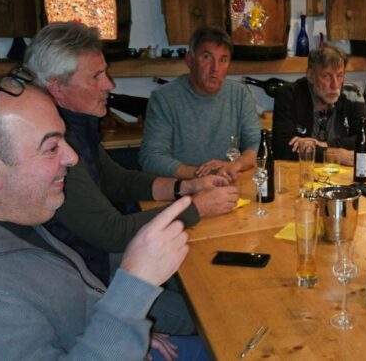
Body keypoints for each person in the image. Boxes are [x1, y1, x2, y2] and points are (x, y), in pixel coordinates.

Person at [0, 79, 204, 360]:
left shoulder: (12, 215)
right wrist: (136, 284)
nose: (72, 157)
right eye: (51, 147)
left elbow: (71, 309)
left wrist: (124, 331)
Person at [24, 22, 237, 334]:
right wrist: (197, 207)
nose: (109, 84)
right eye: (96, 76)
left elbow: (119, 180)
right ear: (57, 88)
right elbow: (113, 232)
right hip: (88, 281)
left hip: (98, 257)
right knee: (210, 312)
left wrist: (186, 186)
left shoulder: (73, 127)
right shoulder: (54, 148)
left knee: (206, 277)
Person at [140, 26, 262, 180]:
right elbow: (151, 157)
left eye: (223, 60)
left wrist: (234, 166)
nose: (215, 68)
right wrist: (201, 174)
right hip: (184, 185)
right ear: (189, 60)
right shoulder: (164, 98)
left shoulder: (240, 94)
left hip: (228, 181)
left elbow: (254, 144)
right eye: (207, 57)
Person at [272, 45, 366, 163]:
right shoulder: (289, 95)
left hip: (342, 172)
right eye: (326, 76)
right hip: (302, 172)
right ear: (310, 75)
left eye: (339, 75)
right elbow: (282, 149)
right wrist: (335, 155)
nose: (335, 85)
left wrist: (326, 145)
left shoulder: (351, 94)